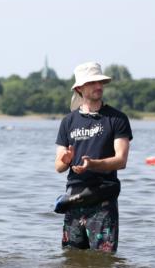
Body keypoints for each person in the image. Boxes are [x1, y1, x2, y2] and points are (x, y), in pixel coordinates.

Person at [54, 62, 132, 253]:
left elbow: (121, 160)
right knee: (71, 260)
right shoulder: (68, 122)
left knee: (104, 261)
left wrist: (92, 164)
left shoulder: (117, 119)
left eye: (100, 82)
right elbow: (58, 166)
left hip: (103, 198)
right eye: (92, 83)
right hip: (74, 198)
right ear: (80, 88)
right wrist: (65, 160)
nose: (98, 87)